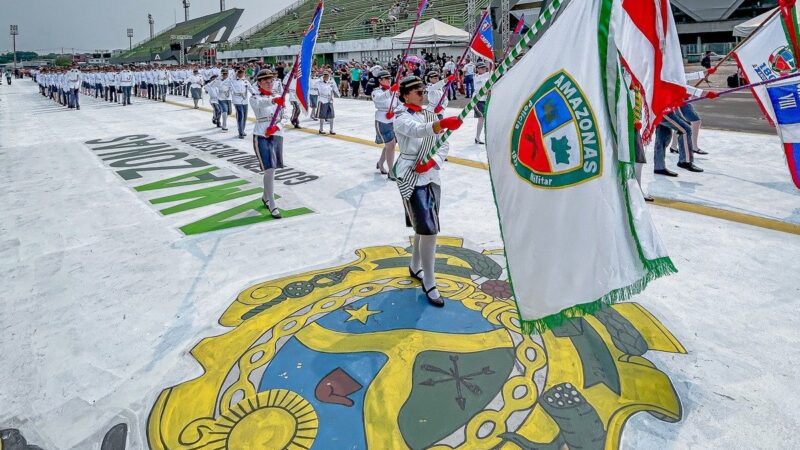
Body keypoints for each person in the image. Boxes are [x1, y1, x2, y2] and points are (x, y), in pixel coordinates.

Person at [392, 76, 463, 307]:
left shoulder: (430, 115)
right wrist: (441, 124)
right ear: (405, 95)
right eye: (418, 92)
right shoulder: (400, 117)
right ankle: (429, 282)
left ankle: (415, 267)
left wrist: (433, 160)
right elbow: (418, 131)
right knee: (429, 230)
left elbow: (444, 144)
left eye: (423, 91)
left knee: (424, 227)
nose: (423, 95)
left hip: (431, 174)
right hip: (411, 175)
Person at [250, 69, 287, 219]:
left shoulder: (278, 96)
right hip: (261, 134)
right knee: (269, 169)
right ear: (259, 83)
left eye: (271, 80)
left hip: (276, 134)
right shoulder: (254, 97)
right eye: (265, 80)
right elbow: (259, 104)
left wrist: (277, 126)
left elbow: (285, 116)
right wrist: (273, 100)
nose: (269, 82)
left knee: (273, 169)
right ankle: (272, 203)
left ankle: (265, 196)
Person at [372, 70, 400, 178]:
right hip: (382, 120)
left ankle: (380, 163)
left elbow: (398, 104)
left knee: (390, 146)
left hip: (393, 119)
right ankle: (391, 171)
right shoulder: (376, 92)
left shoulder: (393, 92)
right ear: (380, 80)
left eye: (389, 78)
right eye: (386, 78)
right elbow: (380, 98)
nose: (389, 80)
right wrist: (391, 91)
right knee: (391, 145)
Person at [231, 67, 258, 138]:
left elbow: (251, 88)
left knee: (245, 116)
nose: (240, 74)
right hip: (237, 99)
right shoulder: (233, 81)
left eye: (242, 72)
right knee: (241, 115)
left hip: (245, 100)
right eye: (239, 72)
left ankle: (242, 130)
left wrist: (255, 94)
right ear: (237, 73)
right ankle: (240, 132)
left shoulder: (246, 81)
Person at [472, 62, 491, 144]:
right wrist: (492, 72)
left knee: (485, 119)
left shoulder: (487, 76)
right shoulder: (476, 77)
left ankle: (479, 137)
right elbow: (480, 87)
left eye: (484, 68)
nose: (483, 69)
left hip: (486, 99)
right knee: (481, 119)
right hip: (478, 100)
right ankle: (477, 137)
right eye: (481, 68)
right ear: (477, 69)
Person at [316, 70, 339, 134]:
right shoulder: (318, 82)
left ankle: (331, 130)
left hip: (330, 100)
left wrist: (338, 94)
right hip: (323, 100)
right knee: (322, 116)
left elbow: (335, 88)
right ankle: (321, 129)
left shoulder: (331, 81)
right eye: (325, 75)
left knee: (331, 116)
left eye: (327, 75)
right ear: (323, 75)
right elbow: (312, 86)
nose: (326, 76)